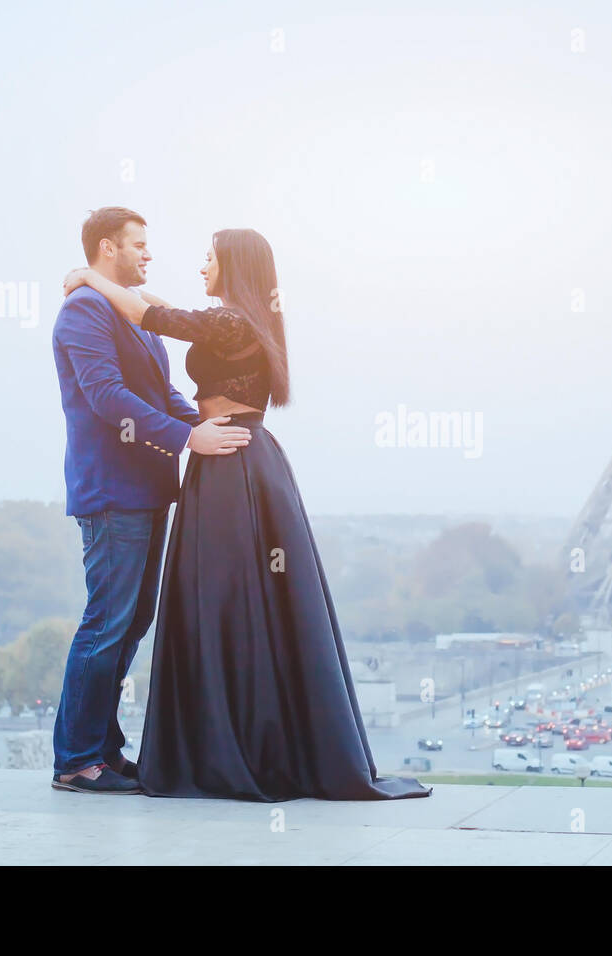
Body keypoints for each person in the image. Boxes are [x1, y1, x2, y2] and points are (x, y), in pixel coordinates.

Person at [63, 228, 432, 802]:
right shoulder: (240, 319)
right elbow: (160, 313)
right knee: (238, 603)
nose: (198, 266)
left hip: (230, 461)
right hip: (229, 454)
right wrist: (191, 435)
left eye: (208, 258)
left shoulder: (231, 321)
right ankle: (221, 744)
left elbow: (149, 313)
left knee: (223, 601)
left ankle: (215, 746)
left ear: (232, 265)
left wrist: (89, 276)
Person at [50, 208, 253, 794]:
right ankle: (76, 761)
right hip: (111, 492)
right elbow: (108, 397)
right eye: (139, 245)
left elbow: (160, 391)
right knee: (105, 624)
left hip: (147, 489)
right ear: (107, 248)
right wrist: (191, 438)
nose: (148, 255)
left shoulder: (129, 314)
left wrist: (221, 429)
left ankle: (104, 753)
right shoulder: (84, 310)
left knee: (131, 623)